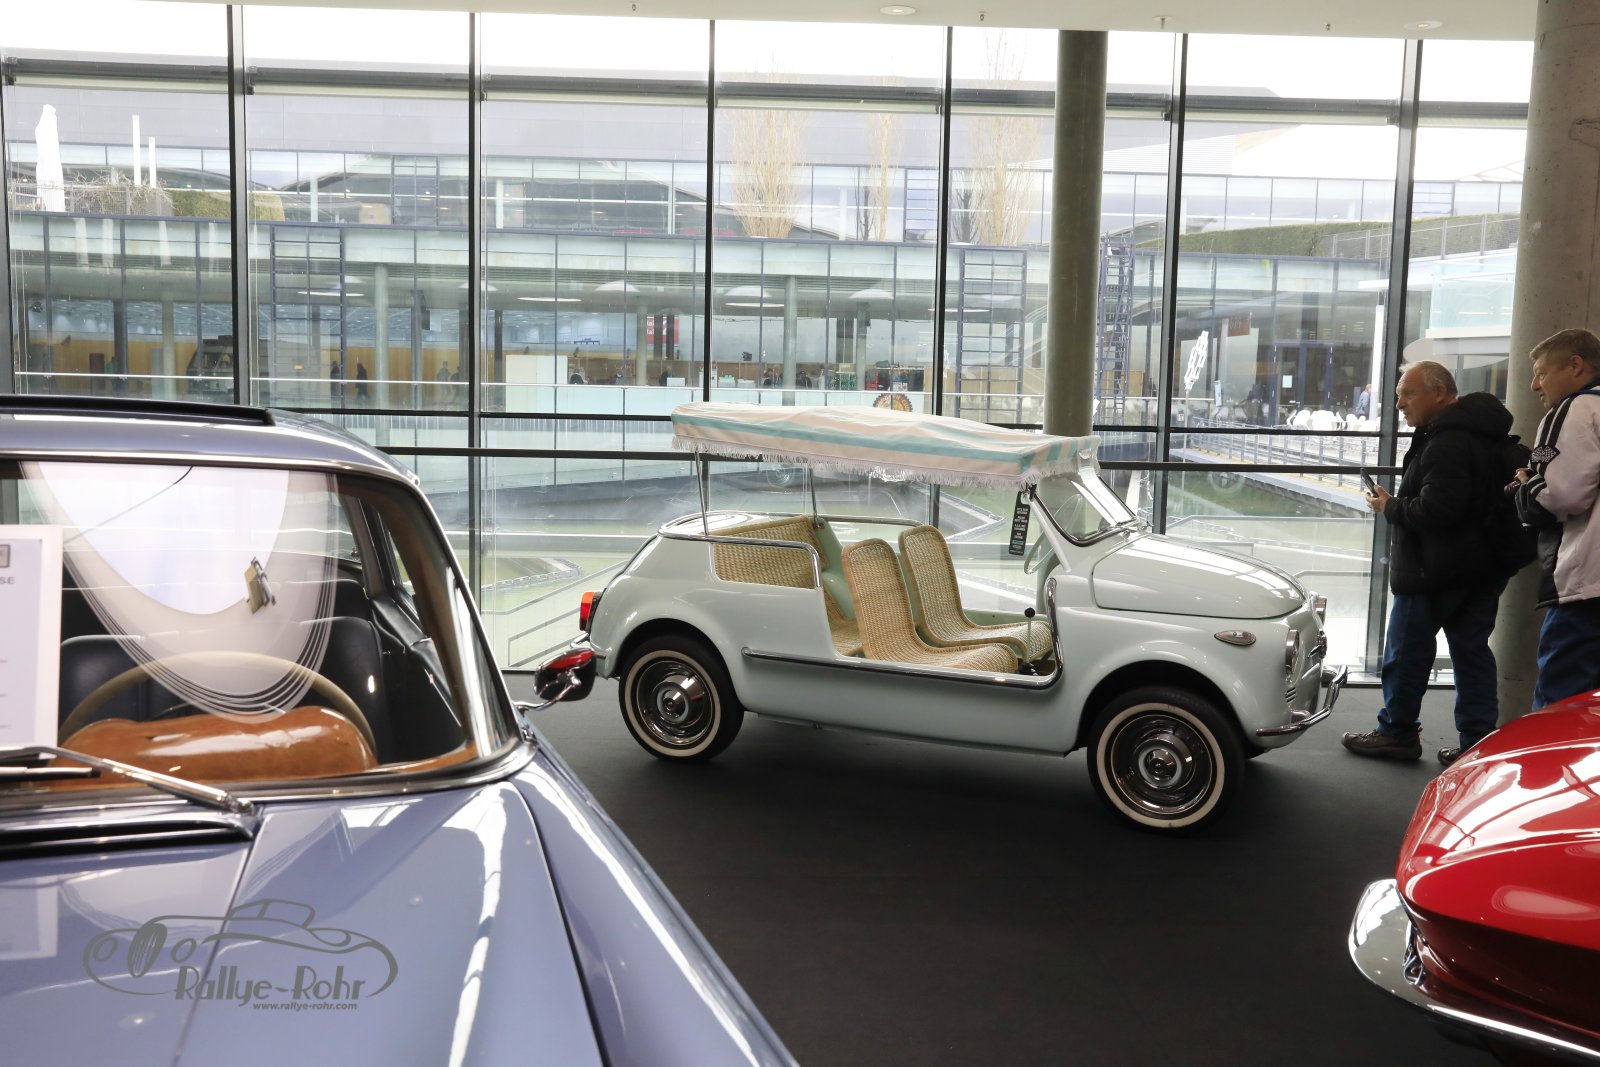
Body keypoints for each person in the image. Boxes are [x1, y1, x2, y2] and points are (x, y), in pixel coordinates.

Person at [1343, 361, 1516, 766]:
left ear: (1439, 393)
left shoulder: (1447, 440)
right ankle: (1476, 741)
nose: (1399, 404)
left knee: (1406, 653)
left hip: (1433, 568)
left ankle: (1397, 732)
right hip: (1481, 566)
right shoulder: (1482, 433)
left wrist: (1389, 506)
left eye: (1408, 393)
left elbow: (1437, 510)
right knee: (1472, 652)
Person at [1513, 327, 1600, 708]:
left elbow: (1560, 496)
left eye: (1542, 372)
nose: (1535, 385)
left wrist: (1526, 486)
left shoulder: (1577, 407)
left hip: (1587, 587)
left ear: (1575, 365)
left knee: (1561, 708)